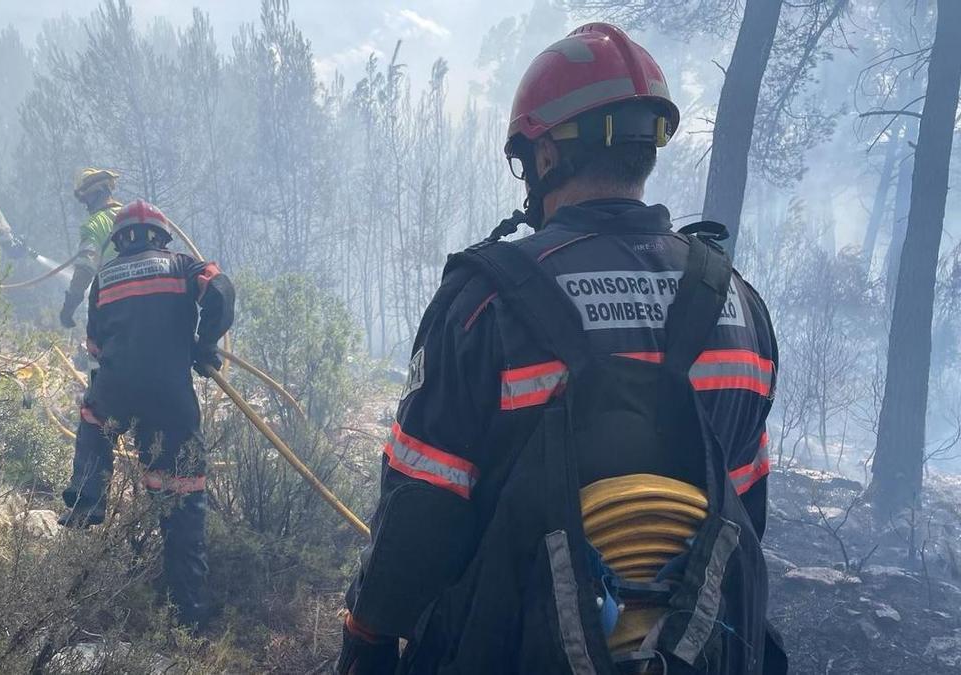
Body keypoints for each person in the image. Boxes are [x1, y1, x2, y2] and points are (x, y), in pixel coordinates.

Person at [338, 23, 783, 674]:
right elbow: (745, 516)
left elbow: (421, 517)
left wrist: (365, 633)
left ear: (545, 155)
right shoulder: (739, 308)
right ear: (646, 145)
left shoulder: (484, 304)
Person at [58, 199, 234, 627]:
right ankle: (187, 609)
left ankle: (87, 500)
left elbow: (95, 346)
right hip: (171, 398)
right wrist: (204, 344)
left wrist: (114, 378)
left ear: (118, 240)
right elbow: (223, 290)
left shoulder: (104, 278)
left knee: (93, 417)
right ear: (161, 234)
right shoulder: (183, 266)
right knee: (182, 492)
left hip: (118, 387)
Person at [60, 168, 123, 329]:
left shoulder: (94, 224)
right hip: (150, 295)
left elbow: (85, 268)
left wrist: (70, 305)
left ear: (97, 193)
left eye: (86, 199)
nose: (86, 205)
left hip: (115, 299)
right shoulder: (133, 214)